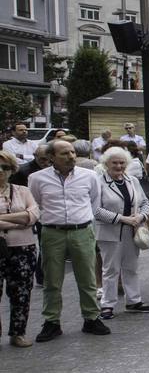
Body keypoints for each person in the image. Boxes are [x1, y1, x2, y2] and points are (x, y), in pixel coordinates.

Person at [27, 140, 109, 340]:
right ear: (51, 157)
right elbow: (36, 203)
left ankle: (91, 317)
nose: (71, 156)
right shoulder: (37, 178)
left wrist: (82, 221)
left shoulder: (89, 176)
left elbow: (94, 202)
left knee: (87, 278)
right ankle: (52, 321)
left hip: (82, 231)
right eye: (64, 153)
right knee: (52, 279)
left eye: (72, 152)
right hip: (52, 232)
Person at [94, 146, 149, 320]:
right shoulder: (98, 182)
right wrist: (122, 218)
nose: (119, 166)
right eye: (115, 163)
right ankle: (107, 305)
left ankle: (134, 301)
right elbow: (96, 209)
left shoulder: (132, 180)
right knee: (110, 270)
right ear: (106, 163)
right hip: (109, 232)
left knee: (131, 267)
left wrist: (141, 216)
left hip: (131, 231)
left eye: (122, 162)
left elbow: (144, 202)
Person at [0, 150, 39, 346]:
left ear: (12, 170)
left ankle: (18, 333)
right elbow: (23, 218)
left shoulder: (22, 191)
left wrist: (6, 220)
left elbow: (31, 216)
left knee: (21, 292)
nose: (0, 171)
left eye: (5, 167)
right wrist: (18, 219)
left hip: (22, 248)